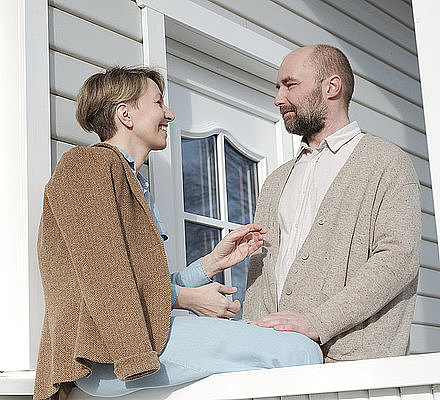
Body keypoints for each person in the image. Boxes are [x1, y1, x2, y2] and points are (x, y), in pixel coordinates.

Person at [34, 67, 322, 400]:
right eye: (158, 103)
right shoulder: (87, 165)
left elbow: (133, 283)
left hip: (129, 343)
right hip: (104, 352)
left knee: (294, 349)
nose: (169, 114)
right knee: (297, 352)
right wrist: (187, 299)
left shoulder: (127, 179)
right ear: (124, 114)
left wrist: (211, 264)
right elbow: (104, 276)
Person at [242, 45, 421, 362]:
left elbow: (398, 259)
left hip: (352, 368)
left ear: (332, 87)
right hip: (273, 365)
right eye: (278, 88)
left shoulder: (386, 163)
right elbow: (262, 271)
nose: (278, 99)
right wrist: (251, 334)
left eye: (290, 84)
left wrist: (317, 322)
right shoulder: (276, 181)